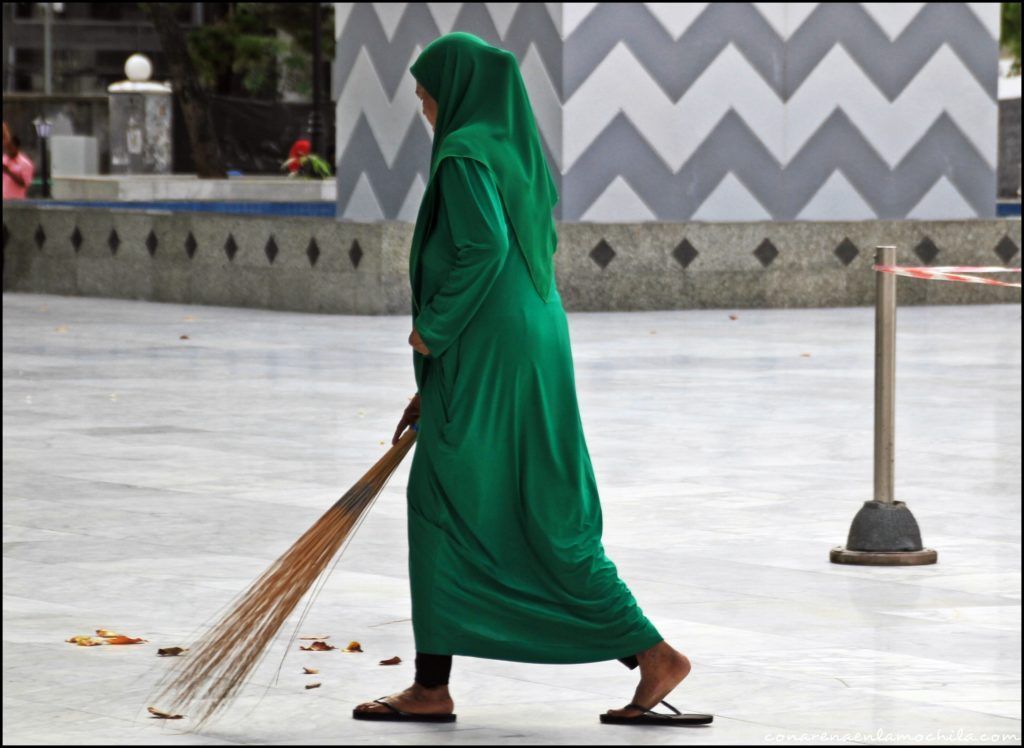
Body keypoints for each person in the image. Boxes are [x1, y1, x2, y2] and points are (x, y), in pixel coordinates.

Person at [352, 32, 708, 728]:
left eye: (427, 91)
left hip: (490, 339)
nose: (423, 105)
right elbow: (523, 249)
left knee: (440, 503)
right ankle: (642, 653)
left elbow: (482, 246)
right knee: (539, 501)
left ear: (457, 89)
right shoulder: (514, 153)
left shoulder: (460, 153)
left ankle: (435, 686)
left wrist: (435, 331)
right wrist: (438, 382)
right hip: (531, 339)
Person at [3, 122, 34, 201]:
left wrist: (8, 172)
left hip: (16, 202)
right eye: (7, 148)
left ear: (17, 147)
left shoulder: (25, 163)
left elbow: (24, 184)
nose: (8, 150)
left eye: (10, 148)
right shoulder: (4, 159)